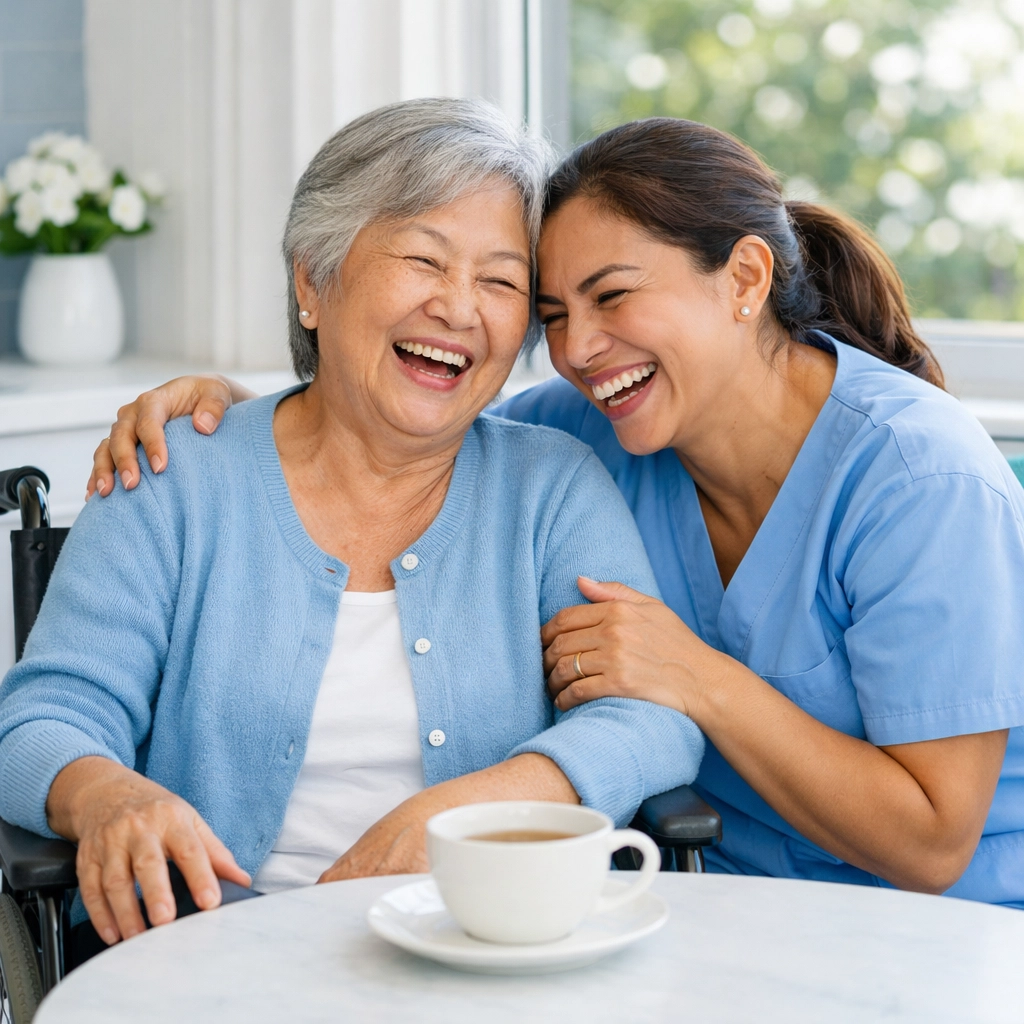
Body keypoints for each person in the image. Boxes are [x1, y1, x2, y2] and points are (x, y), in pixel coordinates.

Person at [97, 117, 1024, 908]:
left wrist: (694, 676)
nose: (579, 348)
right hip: (706, 909)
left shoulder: (920, 480)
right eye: (552, 312)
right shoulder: (591, 428)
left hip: (926, 934)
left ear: (745, 281)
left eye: (613, 295)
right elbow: (403, 413)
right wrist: (238, 412)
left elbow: (932, 845)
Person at [0, 100, 706, 958]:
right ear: (312, 282)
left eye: (500, 280)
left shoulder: (551, 488)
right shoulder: (171, 478)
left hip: (485, 957)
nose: (458, 307)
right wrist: (107, 795)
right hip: (207, 965)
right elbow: (42, 718)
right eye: (422, 259)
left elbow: (652, 719)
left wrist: (462, 812)